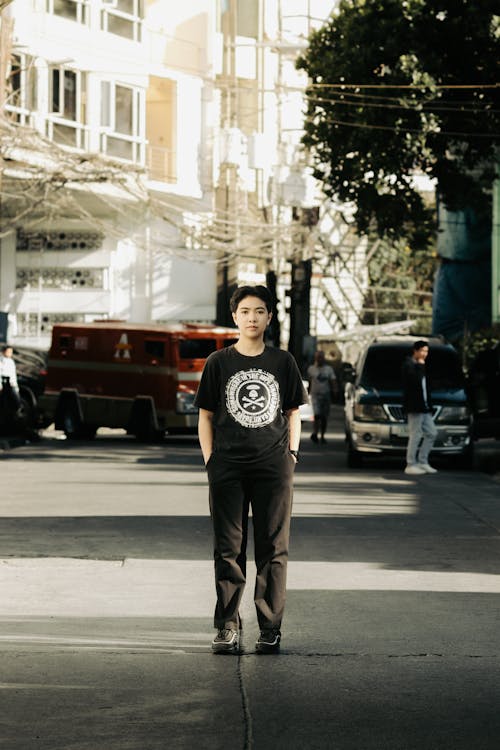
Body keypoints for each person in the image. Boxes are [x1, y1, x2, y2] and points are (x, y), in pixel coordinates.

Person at [194, 285, 308, 654]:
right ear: (235, 317)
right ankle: (227, 625)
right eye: (245, 311)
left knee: (274, 549)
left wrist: (290, 455)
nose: (252, 318)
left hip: (273, 468)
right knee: (228, 549)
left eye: (259, 311)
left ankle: (270, 628)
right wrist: (211, 461)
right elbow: (206, 416)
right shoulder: (219, 362)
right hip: (227, 468)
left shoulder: (282, 362)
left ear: (269, 317)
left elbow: (293, 413)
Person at [401, 340, 438, 475]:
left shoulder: (420, 366)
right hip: (414, 406)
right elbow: (414, 381)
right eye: (422, 351)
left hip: (424, 406)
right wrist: (421, 366)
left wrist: (429, 404)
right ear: (415, 351)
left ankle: (423, 461)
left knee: (432, 433)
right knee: (415, 434)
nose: (424, 354)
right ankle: (410, 464)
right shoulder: (408, 365)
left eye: (426, 351)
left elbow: (425, 387)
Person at [307, 349, 337, 444]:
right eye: (317, 357)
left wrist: (335, 391)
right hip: (315, 395)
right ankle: (315, 433)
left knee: (324, 417)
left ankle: (322, 436)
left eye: (321, 357)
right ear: (315, 358)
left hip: (326, 395)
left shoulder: (329, 369)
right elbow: (309, 382)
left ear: (323, 358)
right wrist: (307, 394)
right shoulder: (311, 369)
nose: (319, 359)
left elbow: (333, 381)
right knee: (317, 415)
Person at [0, 345, 21, 412]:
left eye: (11, 352)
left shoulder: (11, 362)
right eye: (8, 351)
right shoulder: (1, 361)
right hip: (2, 382)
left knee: (16, 400)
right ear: (4, 352)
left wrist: (16, 386)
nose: (10, 353)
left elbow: (13, 375)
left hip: (10, 384)